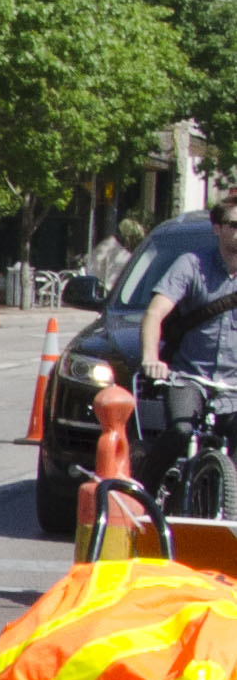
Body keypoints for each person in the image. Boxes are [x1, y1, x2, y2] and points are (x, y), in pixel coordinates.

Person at [138, 199, 237, 491]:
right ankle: (144, 492)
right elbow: (155, 313)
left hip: (234, 384)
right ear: (217, 228)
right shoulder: (192, 265)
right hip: (189, 377)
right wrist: (150, 357)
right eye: (234, 225)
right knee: (180, 430)